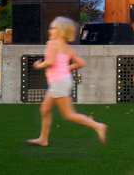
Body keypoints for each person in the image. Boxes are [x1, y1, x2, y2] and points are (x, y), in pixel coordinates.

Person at [27, 17, 107, 146]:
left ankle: (98, 126)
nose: (49, 30)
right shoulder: (66, 47)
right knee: (45, 110)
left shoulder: (52, 43)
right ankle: (43, 139)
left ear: (61, 31)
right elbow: (81, 63)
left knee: (69, 114)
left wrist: (38, 65)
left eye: (53, 28)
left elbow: (50, 62)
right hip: (63, 81)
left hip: (58, 83)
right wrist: (65, 68)